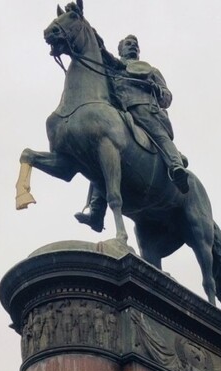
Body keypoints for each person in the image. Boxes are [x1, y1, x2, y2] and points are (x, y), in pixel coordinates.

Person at [74, 34, 189, 232]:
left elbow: (167, 97)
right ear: (121, 50)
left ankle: (176, 166)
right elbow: (102, 56)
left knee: (158, 135)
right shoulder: (114, 66)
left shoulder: (150, 70)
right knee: (101, 154)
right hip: (118, 112)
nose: (132, 46)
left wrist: (158, 90)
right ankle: (96, 213)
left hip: (142, 109)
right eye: (128, 44)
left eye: (135, 44)